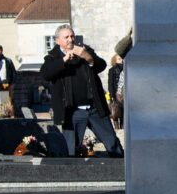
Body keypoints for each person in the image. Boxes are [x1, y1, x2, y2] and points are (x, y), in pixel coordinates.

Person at [39, 25, 124, 158]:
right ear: (57, 41)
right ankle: (71, 176)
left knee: (112, 144)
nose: (70, 40)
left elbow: (102, 65)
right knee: (70, 150)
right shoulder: (53, 57)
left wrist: (87, 57)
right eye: (66, 37)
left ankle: (121, 172)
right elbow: (46, 74)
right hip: (72, 111)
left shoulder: (85, 50)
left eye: (72, 36)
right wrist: (64, 60)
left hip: (94, 108)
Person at [107, 53, 124, 128]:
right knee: (116, 108)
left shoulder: (126, 68)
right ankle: (116, 125)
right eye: (119, 59)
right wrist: (111, 95)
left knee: (124, 110)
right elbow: (110, 83)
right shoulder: (112, 70)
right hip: (116, 93)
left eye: (122, 58)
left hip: (124, 93)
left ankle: (123, 125)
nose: (122, 60)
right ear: (115, 61)